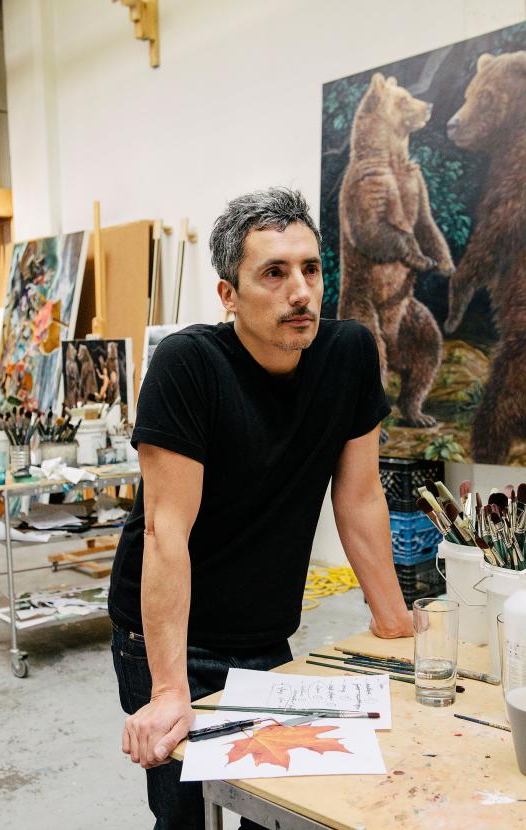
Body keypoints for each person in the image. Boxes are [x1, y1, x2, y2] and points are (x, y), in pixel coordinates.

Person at [108, 187, 413, 829]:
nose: (300, 292)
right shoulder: (188, 365)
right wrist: (169, 690)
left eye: (310, 269)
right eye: (274, 273)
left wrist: (394, 623)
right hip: (171, 634)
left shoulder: (349, 354)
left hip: (267, 631)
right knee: (188, 816)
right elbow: (166, 531)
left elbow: (359, 497)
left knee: (277, 809)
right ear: (229, 294)